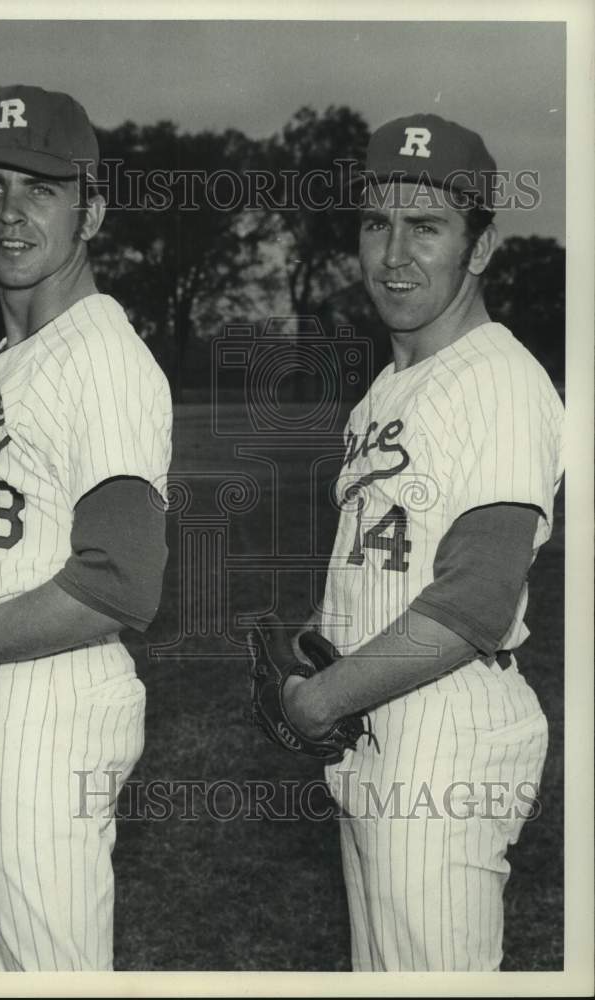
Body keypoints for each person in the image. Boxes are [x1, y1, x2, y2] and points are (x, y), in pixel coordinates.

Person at [283, 113, 564, 971]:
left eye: (427, 227)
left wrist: (322, 697)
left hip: (444, 732)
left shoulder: (497, 379)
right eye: (377, 223)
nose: (394, 254)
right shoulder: (386, 390)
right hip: (381, 720)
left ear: (479, 248)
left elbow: (475, 598)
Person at [0, 84, 173, 971]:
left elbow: (119, 581)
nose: (11, 213)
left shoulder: (98, 355)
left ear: (91, 210)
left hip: (47, 707)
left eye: (42, 188)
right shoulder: (1, 367)